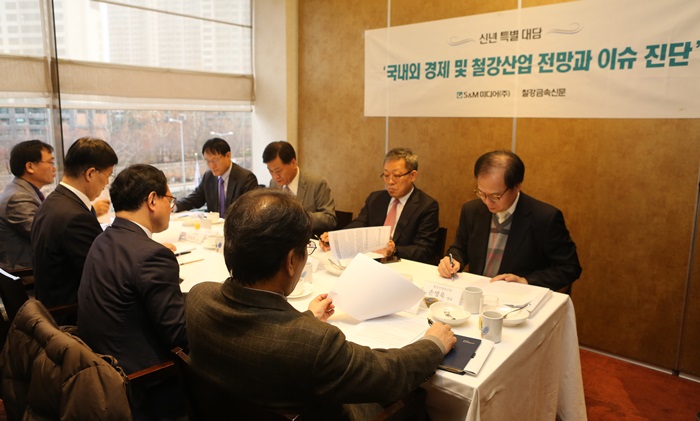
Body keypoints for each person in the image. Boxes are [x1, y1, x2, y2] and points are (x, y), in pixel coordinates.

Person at [186, 189, 455, 419]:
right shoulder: (315, 343)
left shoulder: (199, 298)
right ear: (291, 261)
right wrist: (433, 343)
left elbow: (268, 335)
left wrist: (304, 318)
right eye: (306, 247)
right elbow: (388, 374)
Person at [78, 164, 188, 420]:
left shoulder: (103, 239)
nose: (171, 208)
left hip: (101, 369)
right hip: (142, 384)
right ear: (152, 200)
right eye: (169, 200)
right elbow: (179, 337)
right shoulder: (152, 255)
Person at [438, 150, 582, 291]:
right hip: (478, 293)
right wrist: (453, 260)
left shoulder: (545, 218)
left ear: (517, 186)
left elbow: (569, 267)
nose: (487, 201)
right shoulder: (471, 210)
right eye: (481, 193)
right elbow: (460, 248)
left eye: (495, 196)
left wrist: (526, 281)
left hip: (518, 298)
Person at [31, 137, 118, 312]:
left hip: (50, 305)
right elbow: (104, 275)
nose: (107, 183)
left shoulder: (54, 201)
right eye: (107, 176)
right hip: (70, 312)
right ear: (90, 174)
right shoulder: (76, 217)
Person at [319, 147, 439, 264]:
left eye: (397, 175)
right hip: (369, 261)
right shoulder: (375, 199)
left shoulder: (427, 206)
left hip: (402, 264)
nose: (390, 181)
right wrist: (336, 238)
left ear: (412, 176)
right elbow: (359, 224)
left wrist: (395, 250)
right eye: (386, 175)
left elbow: (424, 249)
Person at [0, 140, 56, 269]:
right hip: (24, 274)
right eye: (50, 163)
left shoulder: (22, 191)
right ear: (30, 167)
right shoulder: (18, 198)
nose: (55, 168)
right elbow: (46, 236)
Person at [262, 140, 337, 234]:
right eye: (271, 171)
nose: (275, 176)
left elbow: (330, 219)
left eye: (278, 171)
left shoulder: (316, 184)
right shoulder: (273, 183)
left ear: (293, 163)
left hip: (307, 238)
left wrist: (298, 218)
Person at [174, 137, 258, 217]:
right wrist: (174, 207)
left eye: (215, 160)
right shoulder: (208, 176)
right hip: (214, 225)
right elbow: (195, 199)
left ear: (228, 156)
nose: (212, 166)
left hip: (235, 226)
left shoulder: (246, 178)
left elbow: (249, 212)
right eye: (208, 161)